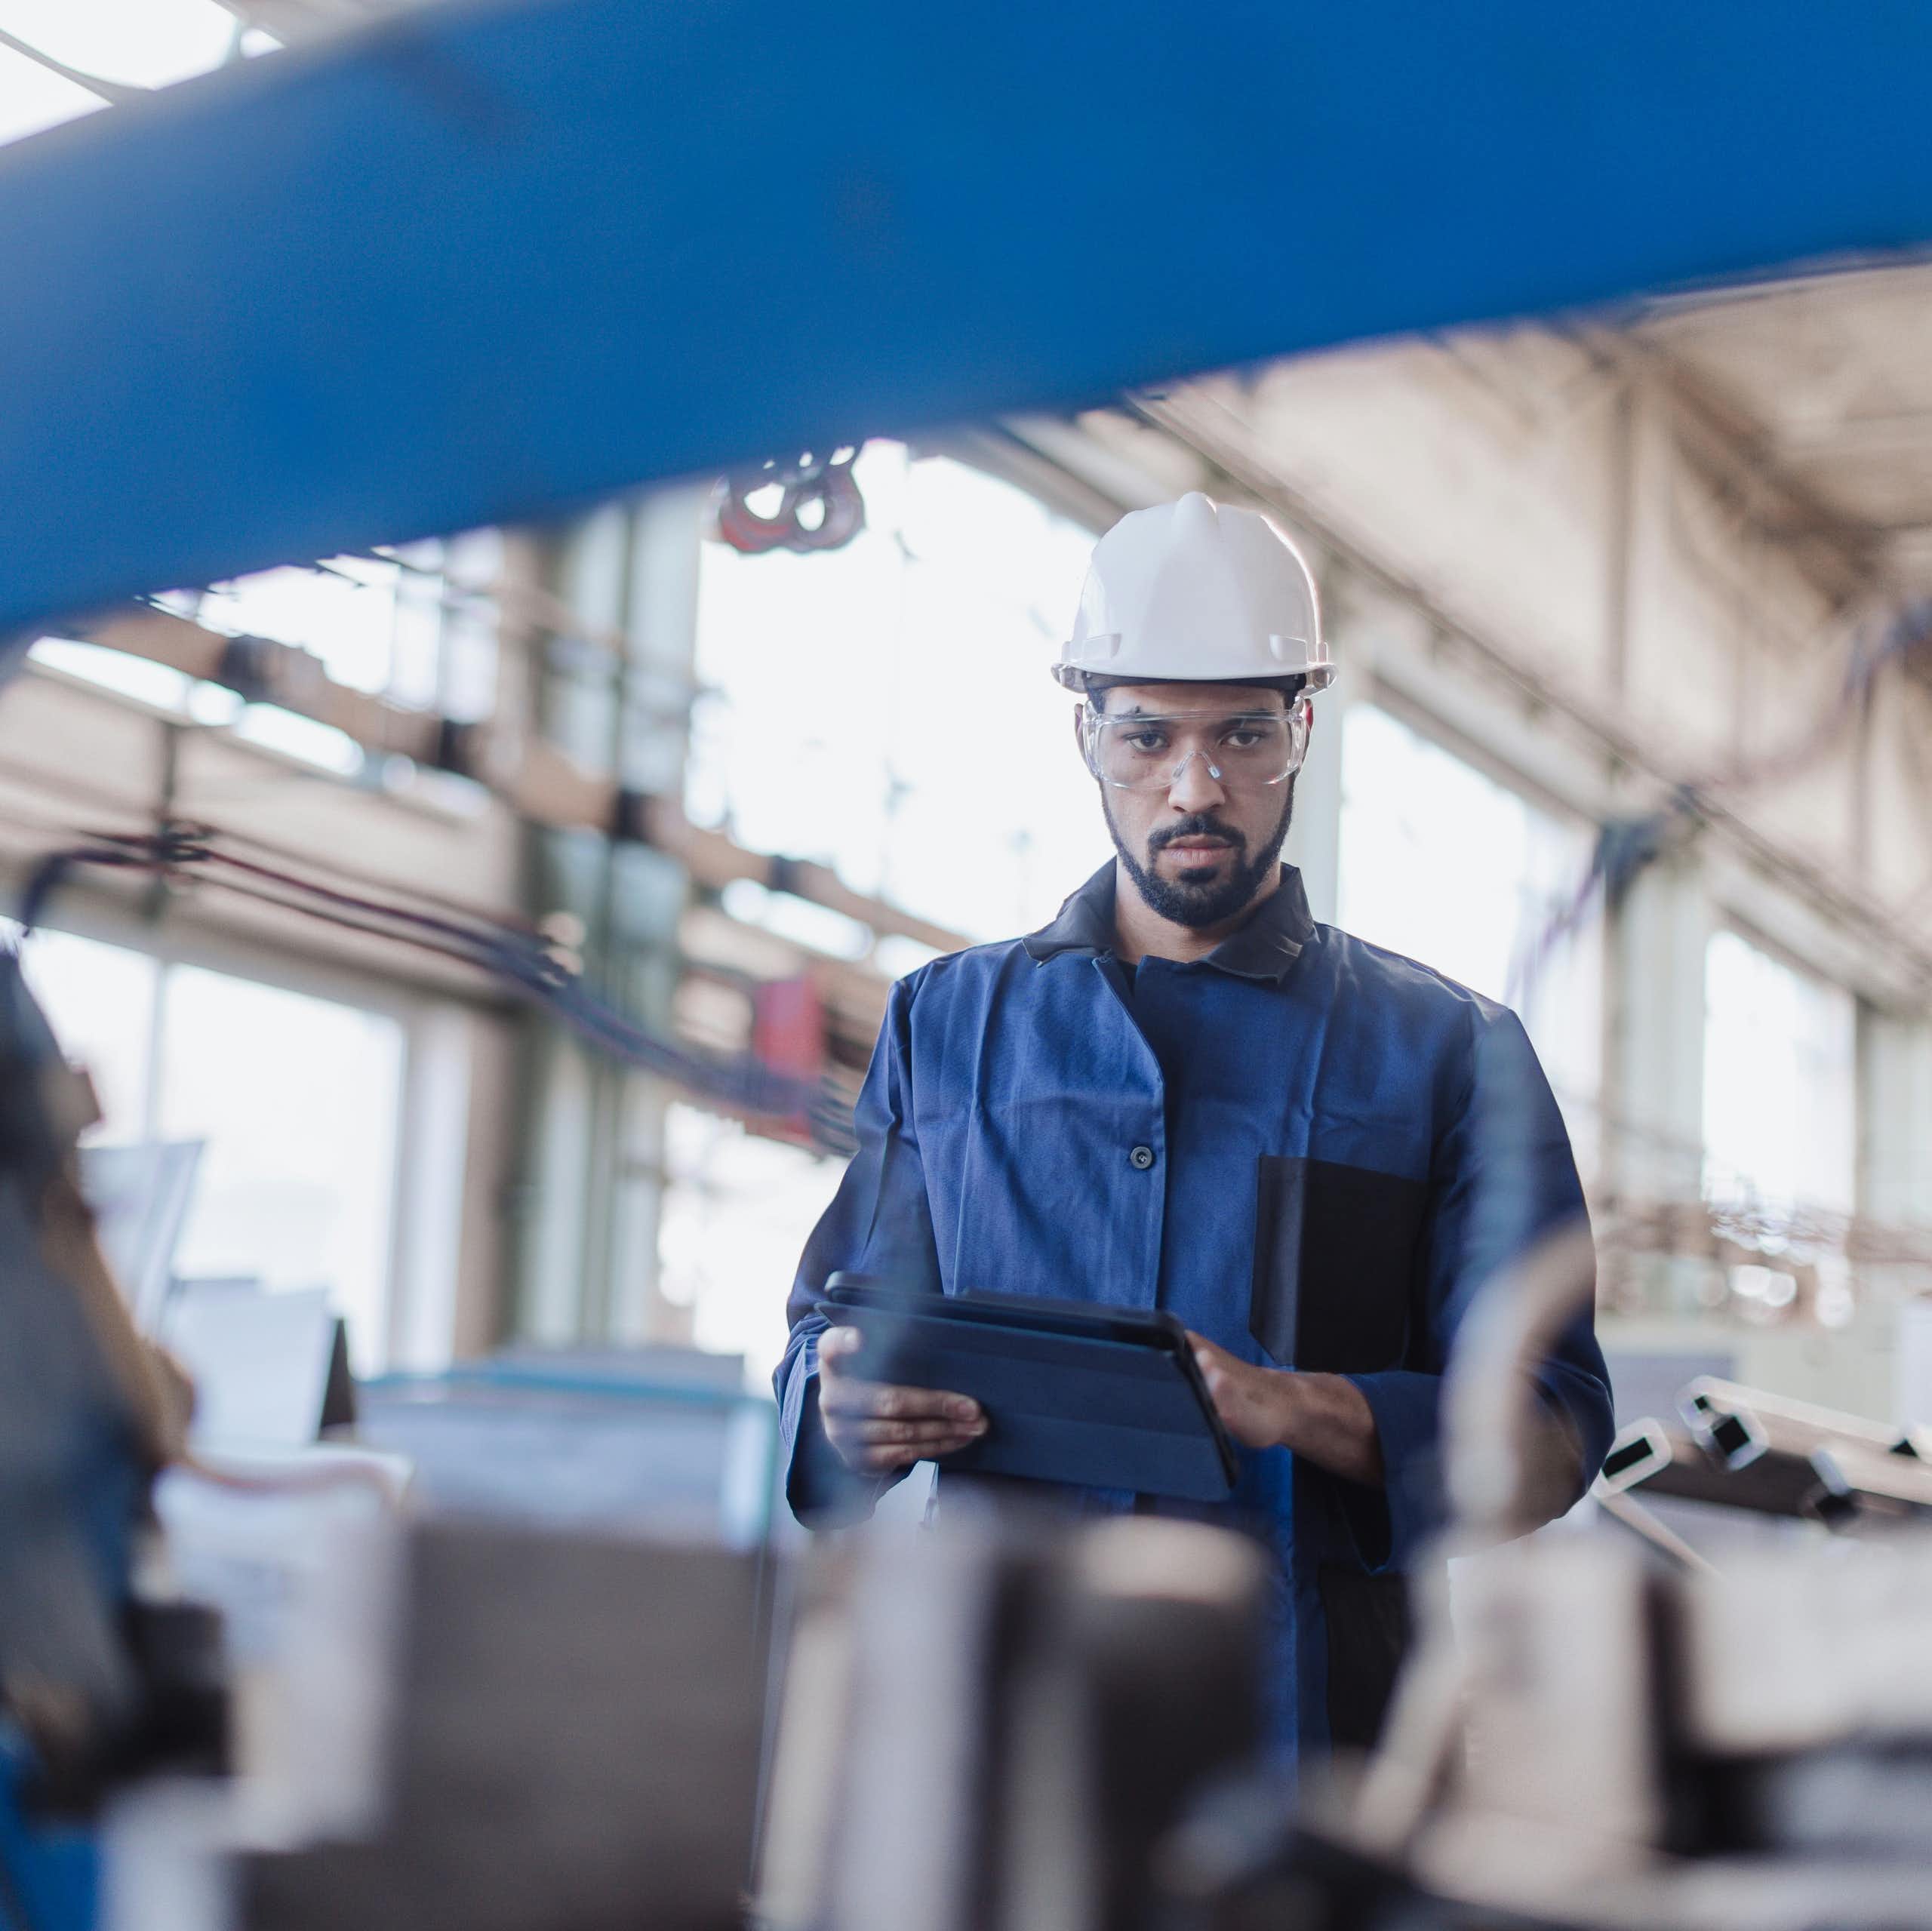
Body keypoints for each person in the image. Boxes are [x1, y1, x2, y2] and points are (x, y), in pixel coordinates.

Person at [774, 491, 1614, 1764]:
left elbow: (1554, 1422)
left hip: (1315, 1747)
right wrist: (836, 1411)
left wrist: (1301, 1409)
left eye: (1243, 737)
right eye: (1147, 737)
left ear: (1305, 730)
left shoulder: (1449, 1052)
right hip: (1002, 1726)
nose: (1196, 787)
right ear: (1086, 734)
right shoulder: (946, 1026)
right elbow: (826, 1344)